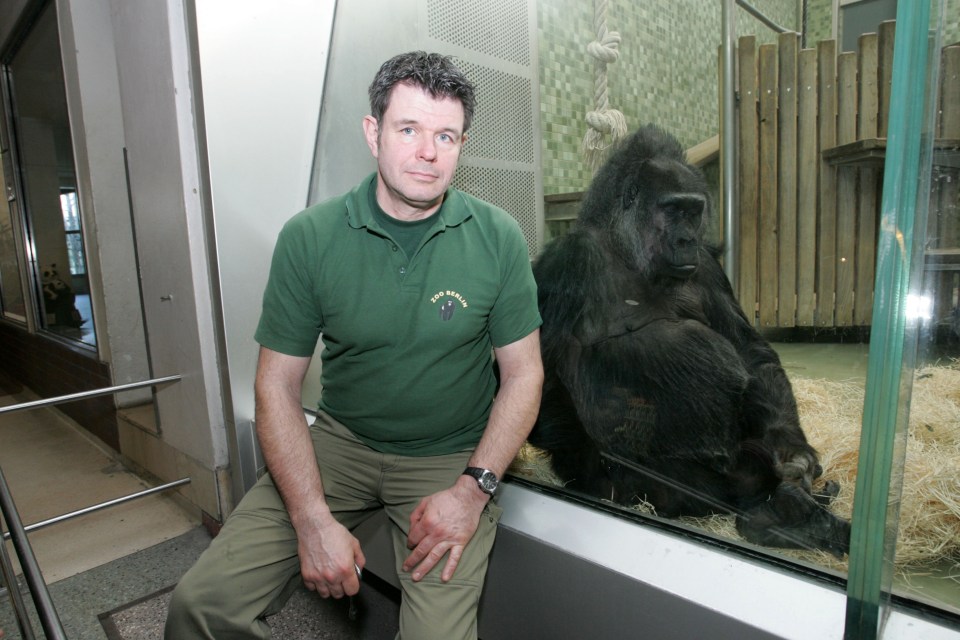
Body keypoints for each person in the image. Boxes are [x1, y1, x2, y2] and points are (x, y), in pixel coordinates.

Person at [164, 51, 543, 640]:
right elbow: (277, 383)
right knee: (200, 607)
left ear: (461, 144)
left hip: (447, 457)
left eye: (446, 135)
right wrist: (311, 518)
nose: (428, 152)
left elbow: (523, 376)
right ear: (373, 133)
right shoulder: (311, 238)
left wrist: (472, 491)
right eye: (409, 129)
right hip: (341, 446)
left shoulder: (498, 238)